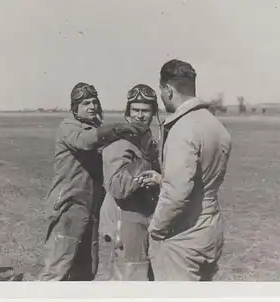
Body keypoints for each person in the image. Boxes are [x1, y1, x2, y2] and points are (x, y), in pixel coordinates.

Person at [39, 82, 148, 281]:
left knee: (86, 271)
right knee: (57, 270)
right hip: (68, 208)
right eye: (85, 103)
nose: (91, 107)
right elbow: (85, 141)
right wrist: (117, 129)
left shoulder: (98, 129)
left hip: (91, 210)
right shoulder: (69, 127)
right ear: (75, 108)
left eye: (94, 102)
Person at [138, 59, 232, 281]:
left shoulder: (183, 129)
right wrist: (164, 179)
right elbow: (203, 179)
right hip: (210, 229)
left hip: (184, 236)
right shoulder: (215, 125)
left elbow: (177, 193)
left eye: (162, 93)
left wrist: (156, 229)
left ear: (168, 90)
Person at [95, 84, 162, 281]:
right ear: (128, 112)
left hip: (140, 220)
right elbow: (118, 186)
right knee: (125, 281)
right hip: (121, 221)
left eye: (146, 110)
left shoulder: (146, 141)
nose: (140, 116)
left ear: (153, 113)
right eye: (135, 110)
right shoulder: (121, 142)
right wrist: (143, 166)